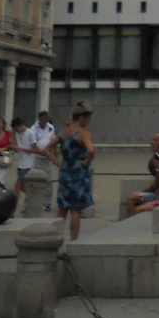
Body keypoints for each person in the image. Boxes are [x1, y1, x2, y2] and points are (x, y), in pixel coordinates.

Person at [45, 102, 96, 240]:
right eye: (88, 118)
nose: (88, 121)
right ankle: (74, 240)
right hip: (78, 172)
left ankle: (55, 239)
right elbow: (91, 150)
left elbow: (46, 149)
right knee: (75, 209)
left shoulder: (63, 132)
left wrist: (58, 163)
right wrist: (86, 162)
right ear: (82, 117)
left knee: (62, 208)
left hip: (65, 170)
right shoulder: (82, 133)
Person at [31, 110, 58, 211]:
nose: (46, 120)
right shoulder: (34, 129)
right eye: (45, 118)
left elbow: (54, 141)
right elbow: (33, 143)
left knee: (49, 180)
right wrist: (42, 152)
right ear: (41, 118)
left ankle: (47, 202)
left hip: (47, 157)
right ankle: (36, 200)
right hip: (37, 157)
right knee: (36, 179)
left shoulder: (51, 128)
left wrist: (54, 154)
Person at [10, 117, 37, 200]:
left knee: (18, 184)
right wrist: (15, 148)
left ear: (20, 125)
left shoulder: (30, 133)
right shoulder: (17, 134)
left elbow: (34, 149)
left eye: (17, 129)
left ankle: (15, 201)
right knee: (23, 185)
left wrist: (22, 149)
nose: (16, 131)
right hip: (20, 162)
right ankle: (32, 196)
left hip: (27, 163)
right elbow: (19, 148)